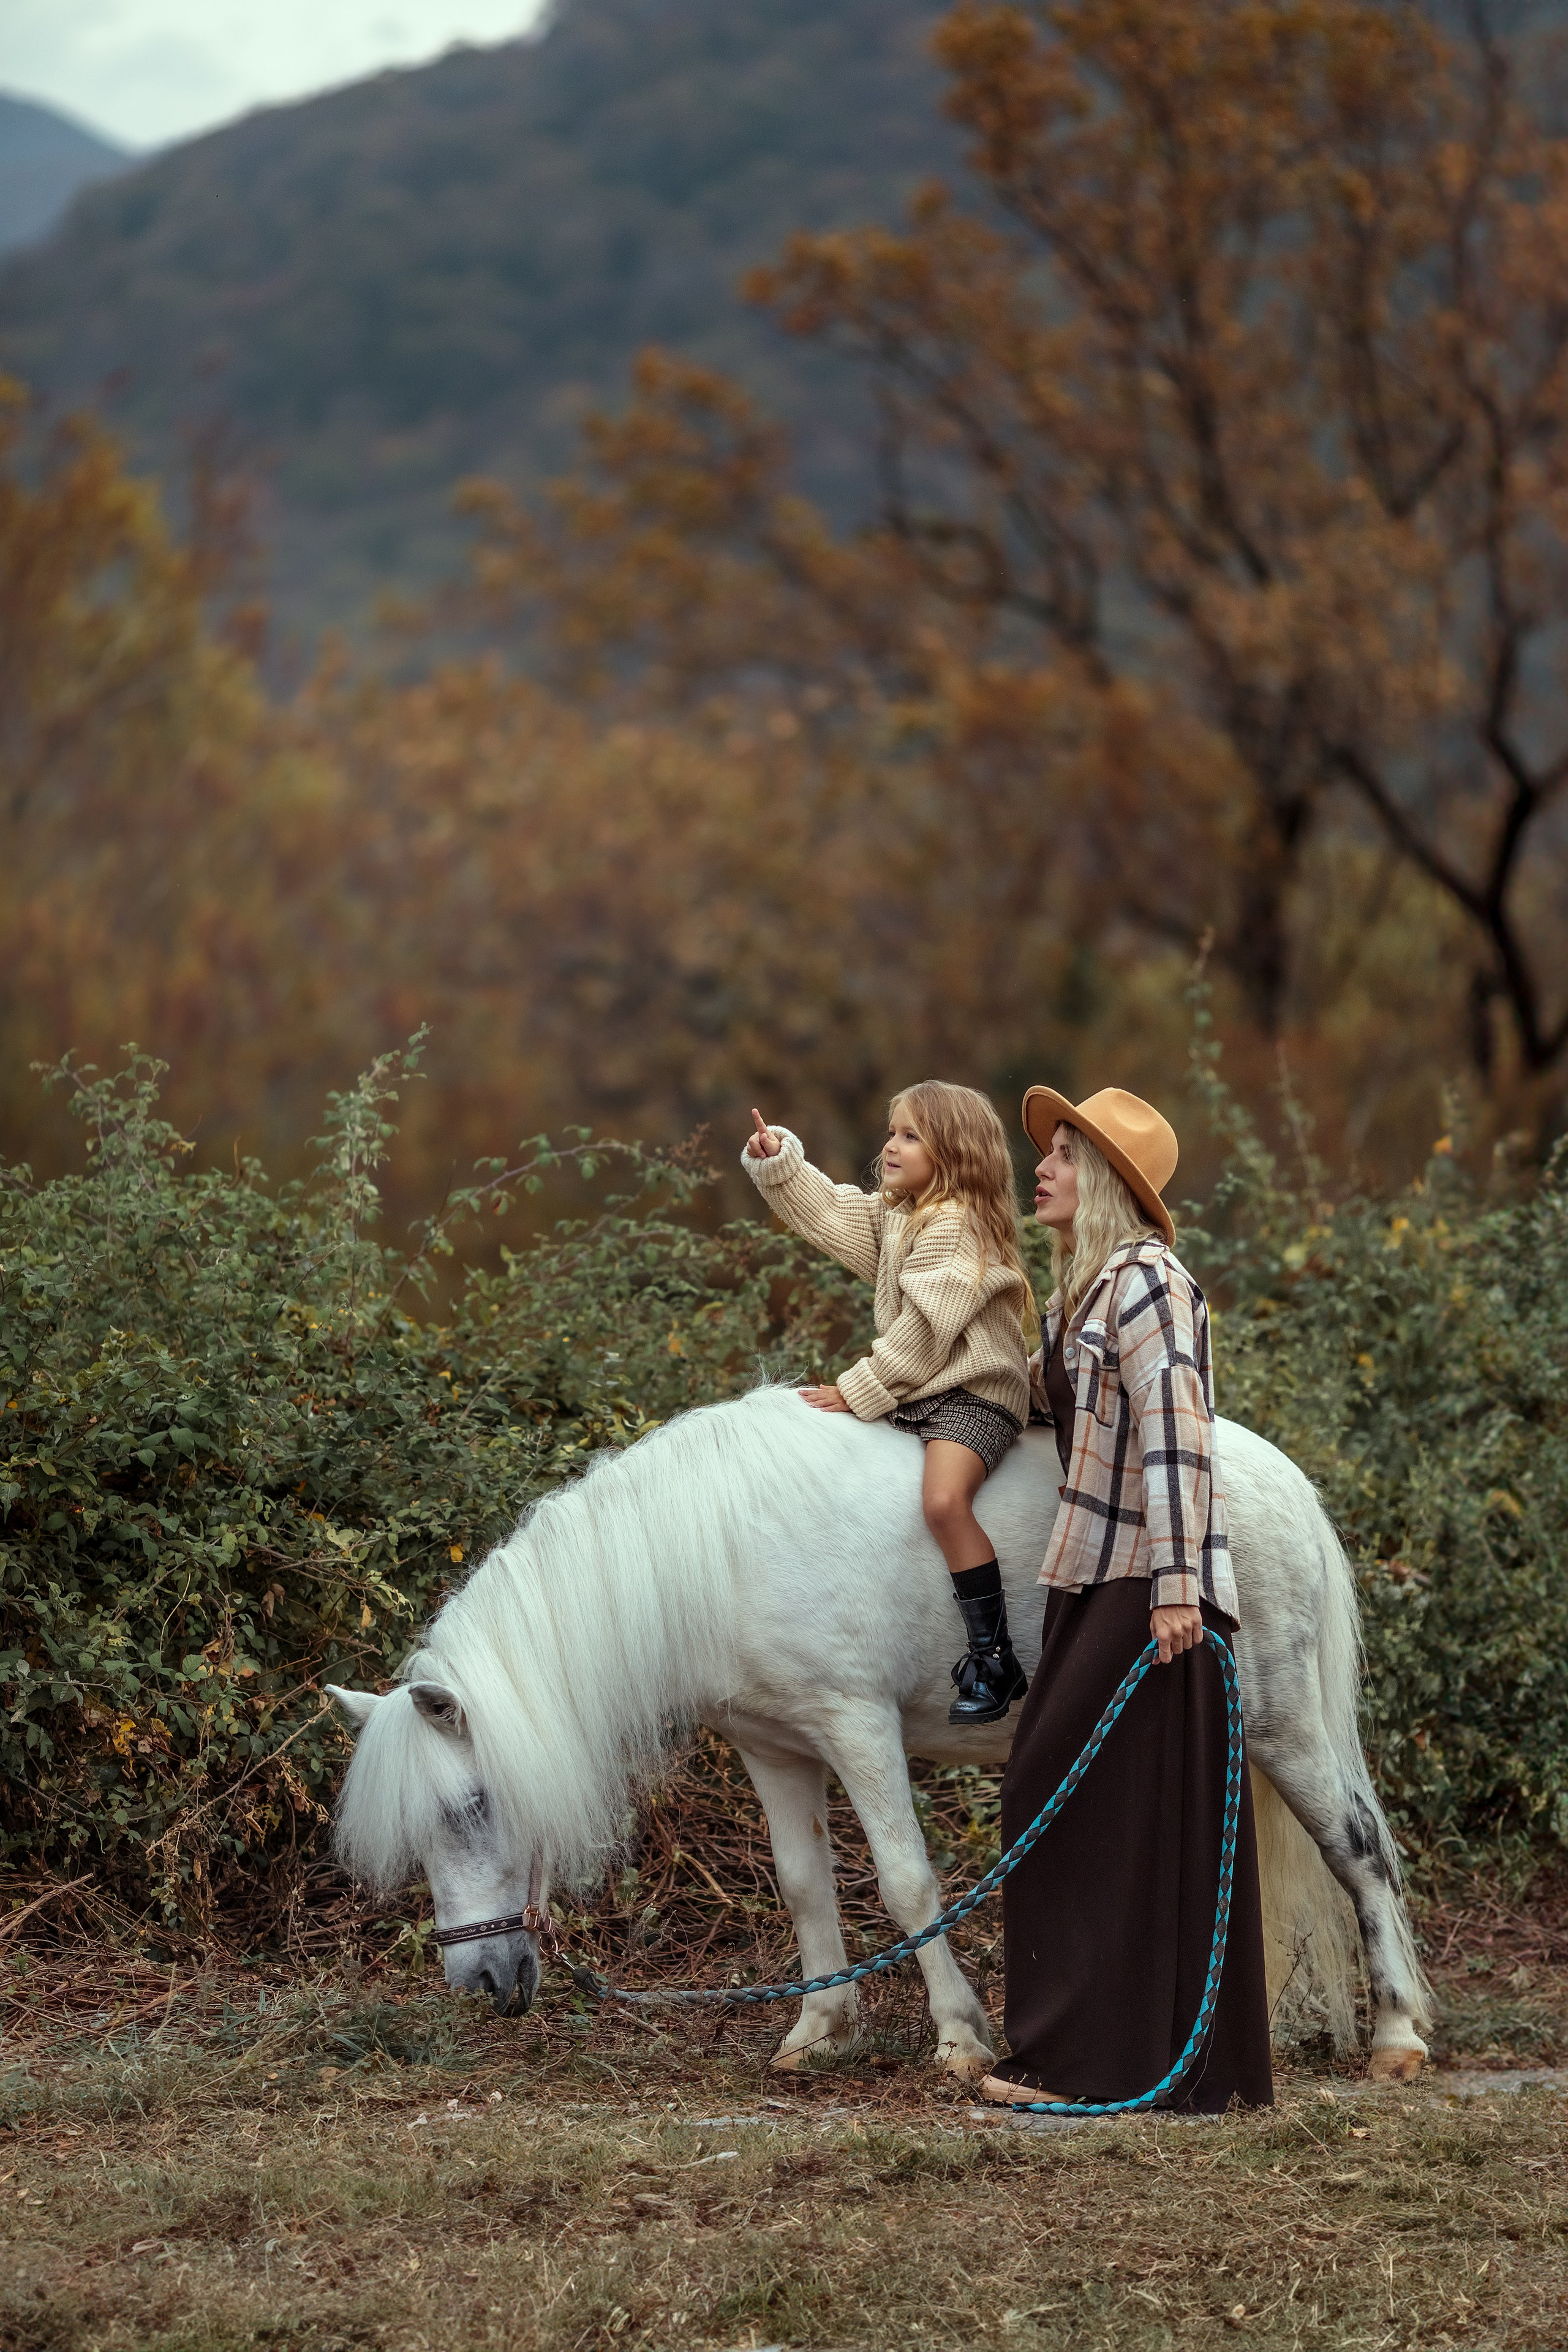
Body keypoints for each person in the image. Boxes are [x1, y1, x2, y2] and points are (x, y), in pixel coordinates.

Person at [979, 1085, 1273, 2113]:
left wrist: (1179, 1588)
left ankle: (1088, 2065)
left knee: (1056, 1793)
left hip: (1149, 1581)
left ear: (1104, 1178)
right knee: (1103, 1813)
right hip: (1092, 1570)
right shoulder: (1082, 1294)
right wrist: (891, 1396)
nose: (1043, 1169)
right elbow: (1032, 1395)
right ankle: (1097, 2061)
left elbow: (1177, 1435)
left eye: (1064, 1154)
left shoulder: (1151, 1284)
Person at [743, 1082, 1035, 1724]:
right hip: (925, 1390)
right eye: (892, 1132)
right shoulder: (902, 1214)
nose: (891, 1146)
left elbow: (926, 1331)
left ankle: (993, 1657)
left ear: (953, 1152)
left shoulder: (956, 1227)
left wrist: (856, 1391)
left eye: (910, 1136)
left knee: (943, 1501)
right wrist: (780, 1164)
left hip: (974, 1392)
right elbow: (835, 1213)